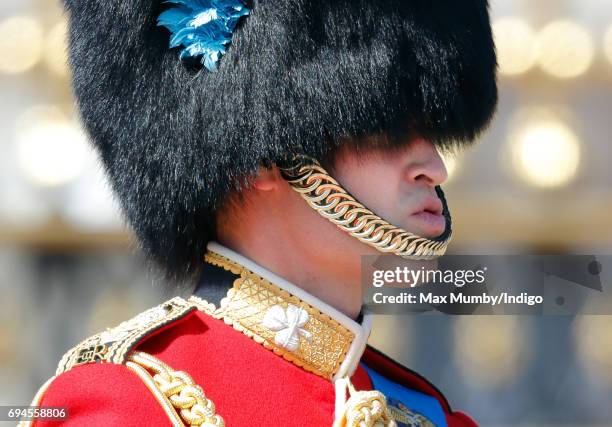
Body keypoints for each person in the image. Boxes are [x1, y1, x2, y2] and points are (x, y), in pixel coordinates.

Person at [24, 0, 497, 425]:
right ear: (265, 160)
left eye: (432, 132)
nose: (434, 168)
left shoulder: (428, 413)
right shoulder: (130, 405)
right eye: (387, 131)